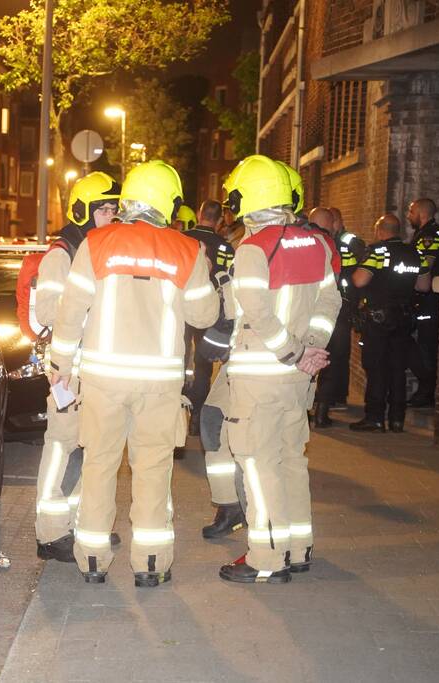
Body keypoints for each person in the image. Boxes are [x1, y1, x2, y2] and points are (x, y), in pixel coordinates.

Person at [49, 160, 219, 586]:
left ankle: (91, 560)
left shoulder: (97, 242)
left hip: (103, 381)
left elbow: (71, 312)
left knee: (99, 467)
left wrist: (61, 368)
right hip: (159, 386)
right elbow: (204, 314)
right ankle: (150, 565)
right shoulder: (187, 249)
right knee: (153, 472)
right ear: (168, 203)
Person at [219, 154, 341, 585]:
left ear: (245, 199)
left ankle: (265, 556)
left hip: (261, 376)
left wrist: (291, 351)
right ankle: (298, 547)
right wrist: (310, 350)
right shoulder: (318, 243)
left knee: (257, 462)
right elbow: (331, 302)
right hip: (299, 378)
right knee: (292, 460)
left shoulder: (253, 249)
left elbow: (256, 313)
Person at [34, 171, 121, 563]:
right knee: (64, 449)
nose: (110, 217)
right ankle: (51, 534)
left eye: (114, 210)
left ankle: (83, 525)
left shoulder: (101, 249)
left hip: (96, 372)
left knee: (92, 451)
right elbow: (48, 311)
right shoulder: (62, 253)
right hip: (68, 373)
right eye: (103, 209)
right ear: (84, 210)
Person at [349, 214, 432, 433]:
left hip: (378, 320)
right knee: (397, 367)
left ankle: (375, 418)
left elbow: (359, 280)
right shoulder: (416, 253)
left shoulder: (378, 252)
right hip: (404, 319)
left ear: (380, 230)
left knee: (376, 367)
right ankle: (397, 419)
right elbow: (423, 286)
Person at [182, 200, 234, 435]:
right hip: (211, 310)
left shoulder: (182, 240)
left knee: (179, 359)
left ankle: (178, 412)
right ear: (219, 220)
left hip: (181, 307)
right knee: (203, 365)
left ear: (199, 213)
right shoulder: (225, 247)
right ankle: (197, 417)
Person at [311, 207, 366, 426]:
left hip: (309, 311)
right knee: (331, 359)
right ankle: (323, 411)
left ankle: (308, 410)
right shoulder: (341, 246)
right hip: (338, 310)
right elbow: (356, 277)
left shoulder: (304, 243)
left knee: (309, 358)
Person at [406, 198, 439, 407]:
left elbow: (426, 264)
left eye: (411, 211)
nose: (408, 216)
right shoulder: (424, 233)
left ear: (421, 212)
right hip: (422, 298)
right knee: (414, 343)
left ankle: (427, 391)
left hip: (428, 299)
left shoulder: (431, 235)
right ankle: (426, 388)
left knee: (425, 345)